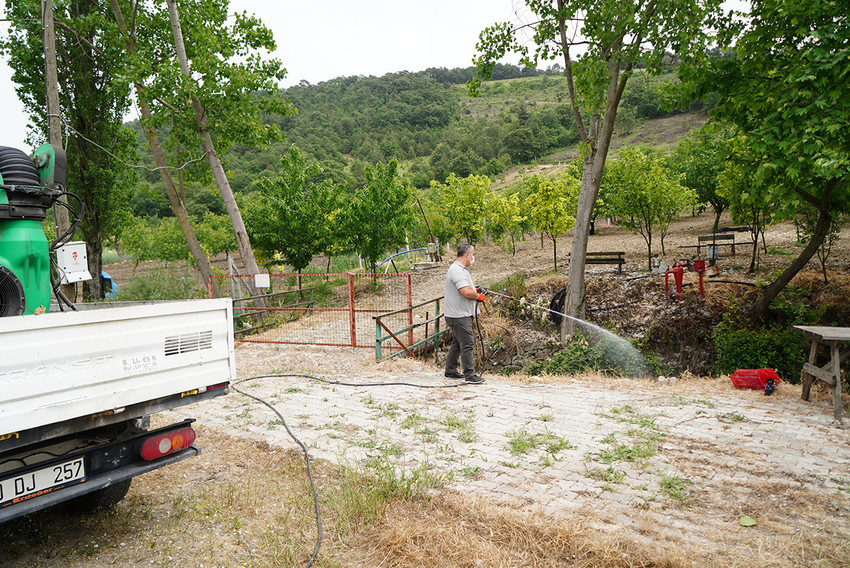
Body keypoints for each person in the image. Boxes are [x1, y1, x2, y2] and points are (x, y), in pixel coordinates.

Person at [444, 244, 486, 384]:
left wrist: (476, 290)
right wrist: (477, 296)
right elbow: (466, 292)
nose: (474, 257)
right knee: (467, 343)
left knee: (457, 343)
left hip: (458, 313)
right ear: (467, 255)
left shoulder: (461, 269)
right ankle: (470, 375)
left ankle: (450, 370)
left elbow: (468, 288)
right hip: (459, 315)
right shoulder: (457, 270)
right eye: (473, 254)